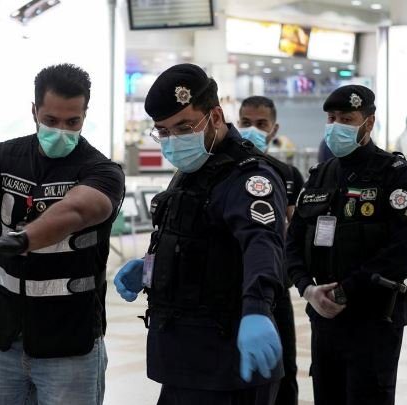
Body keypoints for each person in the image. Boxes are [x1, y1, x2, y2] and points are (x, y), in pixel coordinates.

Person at [0, 63, 125, 405]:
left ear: (85, 115)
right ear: (34, 111)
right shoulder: (2, 157)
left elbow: (76, 210)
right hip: (1, 341)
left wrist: (21, 240)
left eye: (72, 122)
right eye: (51, 120)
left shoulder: (102, 170)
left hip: (70, 345)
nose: (61, 131)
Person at [114, 64, 287, 404]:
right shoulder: (191, 172)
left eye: (184, 127)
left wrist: (257, 308)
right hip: (186, 355)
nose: (174, 139)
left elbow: (262, 243)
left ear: (216, 116)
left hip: (229, 361)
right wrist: (149, 267)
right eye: (163, 131)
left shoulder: (248, 177)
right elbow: (193, 239)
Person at [287, 85, 407, 405]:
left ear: (368, 122)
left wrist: (343, 291)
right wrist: (307, 288)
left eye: (347, 119)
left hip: (373, 319)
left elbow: (398, 254)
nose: (336, 126)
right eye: (332, 118)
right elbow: (292, 243)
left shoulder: (395, 175)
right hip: (324, 316)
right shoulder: (320, 176)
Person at [238, 95, 302, 405]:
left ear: (274, 129)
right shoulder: (224, 170)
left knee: (284, 369)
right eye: (246, 122)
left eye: (261, 124)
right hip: (231, 288)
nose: (253, 129)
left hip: (274, 286)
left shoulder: (286, 174)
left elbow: (295, 229)